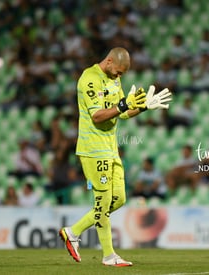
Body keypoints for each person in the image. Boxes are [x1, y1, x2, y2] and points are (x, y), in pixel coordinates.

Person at [58, 47, 171, 266]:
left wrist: (143, 107)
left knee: (118, 199)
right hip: (93, 150)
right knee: (103, 201)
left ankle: (73, 232)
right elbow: (98, 115)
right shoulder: (89, 79)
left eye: (122, 74)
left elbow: (125, 112)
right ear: (109, 61)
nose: (119, 77)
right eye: (118, 72)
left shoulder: (114, 79)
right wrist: (122, 105)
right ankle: (109, 255)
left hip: (111, 149)